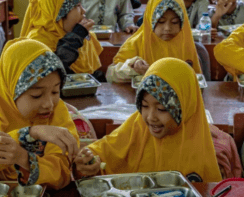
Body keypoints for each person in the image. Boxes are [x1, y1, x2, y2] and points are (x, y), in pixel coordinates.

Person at [75, 57, 223, 183]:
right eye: (144, 106)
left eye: (162, 109)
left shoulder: (199, 147)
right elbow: (102, 151)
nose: (151, 117)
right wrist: (89, 162)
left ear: (184, 108)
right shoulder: (137, 126)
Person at [0, 38, 80, 191]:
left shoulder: (57, 114)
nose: (49, 103)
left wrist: (23, 158)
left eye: (55, 91)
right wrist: (27, 135)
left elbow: (61, 172)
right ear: (10, 92)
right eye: (37, 95)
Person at [105, 0, 202, 83]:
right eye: (161, 21)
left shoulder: (186, 43)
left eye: (175, 22)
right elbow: (110, 74)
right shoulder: (137, 42)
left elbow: (196, 79)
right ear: (150, 20)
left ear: (183, 23)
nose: (167, 28)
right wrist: (132, 67)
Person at [19, 0, 103, 76]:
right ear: (58, 12)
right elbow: (52, 73)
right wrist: (76, 37)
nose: (84, 11)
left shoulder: (82, 36)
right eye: (77, 6)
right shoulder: (37, 41)